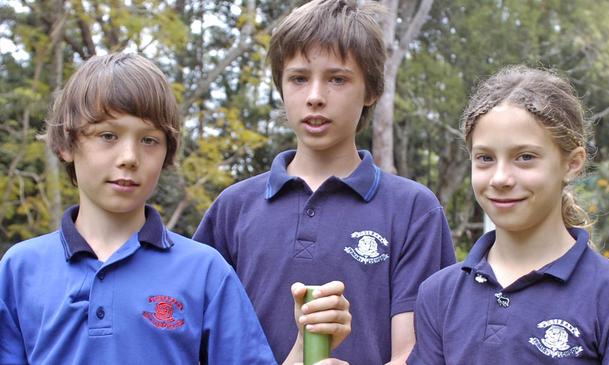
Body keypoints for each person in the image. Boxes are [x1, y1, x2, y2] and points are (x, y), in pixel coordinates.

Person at [0, 52, 348, 365]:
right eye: (107, 136)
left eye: (149, 140)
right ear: (67, 144)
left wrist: (303, 350)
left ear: (167, 153)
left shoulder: (206, 271)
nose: (129, 158)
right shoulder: (20, 269)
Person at [193, 0, 456, 363]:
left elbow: (417, 351)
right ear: (281, 87)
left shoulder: (413, 210)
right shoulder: (233, 208)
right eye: (299, 78)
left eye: (337, 79)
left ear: (371, 90)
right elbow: (198, 342)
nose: (315, 97)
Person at [408, 65, 609, 364]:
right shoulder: (439, 293)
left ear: (572, 163)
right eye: (484, 158)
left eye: (525, 157)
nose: (500, 178)